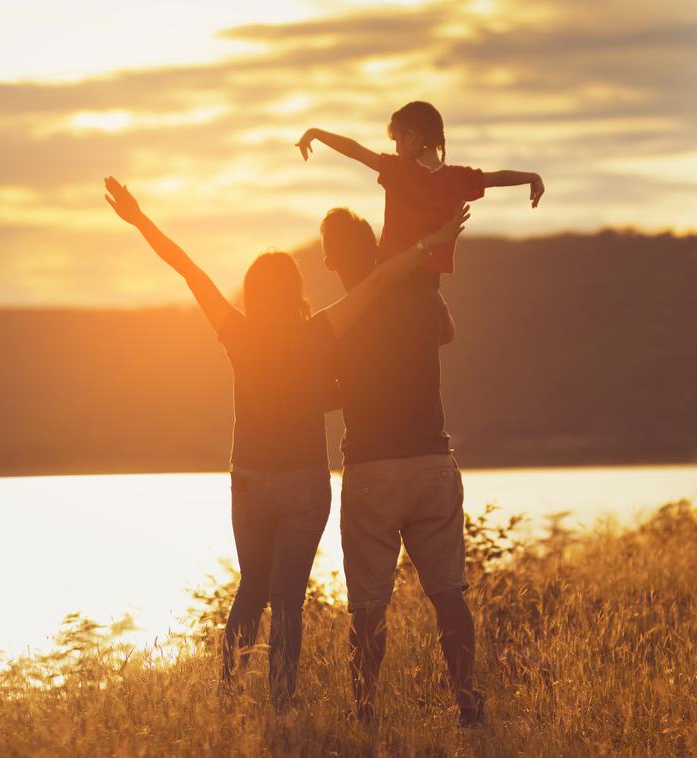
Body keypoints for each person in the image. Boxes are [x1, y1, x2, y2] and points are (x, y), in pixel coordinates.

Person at [102, 175, 469, 709]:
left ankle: (226, 698)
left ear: (252, 291)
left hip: (249, 481)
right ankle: (281, 705)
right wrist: (428, 242)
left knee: (251, 589)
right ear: (294, 289)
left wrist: (139, 220)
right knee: (288, 600)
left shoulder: (236, 331)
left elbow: (186, 268)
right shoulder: (320, 331)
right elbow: (379, 281)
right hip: (304, 483)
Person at [319, 206, 484, 728]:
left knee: (368, 605)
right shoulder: (420, 298)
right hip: (432, 461)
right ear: (374, 248)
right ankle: (466, 701)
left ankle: (365, 713)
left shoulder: (339, 316)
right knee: (448, 593)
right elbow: (448, 332)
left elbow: (323, 391)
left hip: (371, 468)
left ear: (329, 260)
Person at [296, 101, 544, 287]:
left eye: (397, 139)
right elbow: (497, 177)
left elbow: (355, 151)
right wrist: (532, 177)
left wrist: (316, 133)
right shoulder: (458, 178)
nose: (395, 147)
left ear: (412, 138)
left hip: (389, 274)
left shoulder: (397, 170)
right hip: (428, 283)